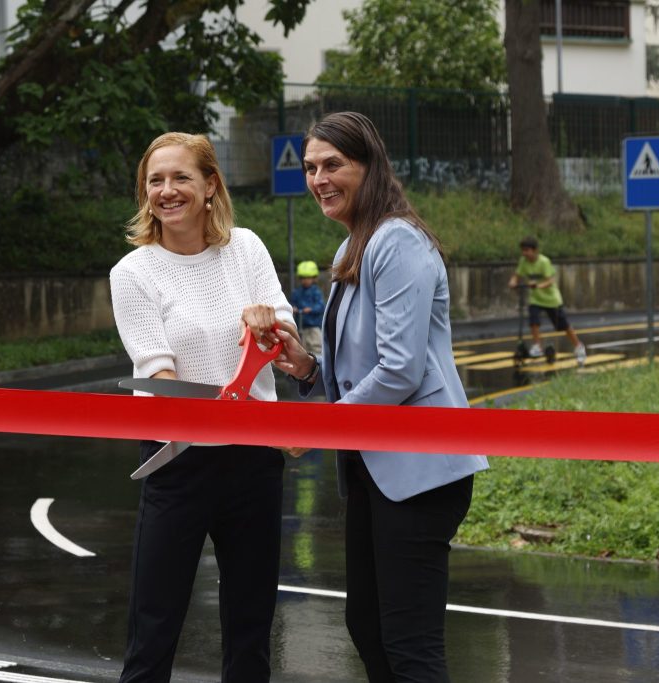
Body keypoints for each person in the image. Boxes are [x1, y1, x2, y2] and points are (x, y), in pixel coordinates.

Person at [272, 111, 489, 683]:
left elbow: (400, 370)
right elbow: (363, 368)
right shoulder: (355, 246)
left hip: (420, 472)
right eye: (311, 167)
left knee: (408, 643)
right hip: (374, 468)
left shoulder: (396, 241)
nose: (319, 178)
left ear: (369, 167)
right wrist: (309, 368)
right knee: (369, 628)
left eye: (333, 165)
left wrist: (317, 431)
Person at [109, 132, 298, 683]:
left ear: (210, 184)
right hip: (178, 461)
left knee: (251, 630)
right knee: (154, 628)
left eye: (181, 178)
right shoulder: (133, 272)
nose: (167, 191)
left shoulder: (247, 248)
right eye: (155, 181)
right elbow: (156, 370)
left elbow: (285, 339)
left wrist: (272, 328)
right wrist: (201, 408)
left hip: (254, 459)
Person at [507, 236, 586, 365]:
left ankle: (578, 346)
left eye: (527, 250)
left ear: (535, 250)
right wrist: (513, 282)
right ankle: (537, 345)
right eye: (523, 250)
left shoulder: (544, 262)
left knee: (564, 325)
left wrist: (538, 286)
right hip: (536, 299)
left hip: (551, 300)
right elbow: (517, 276)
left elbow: (550, 280)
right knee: (534, 321)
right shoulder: (523, 262)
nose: (525, 253)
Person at [289, 260, 325, 355]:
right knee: (302, 348)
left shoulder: (316, 292)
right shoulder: (297, 292)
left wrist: (311, 309)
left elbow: (321, 306)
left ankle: (319, 364)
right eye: (303, 278)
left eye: (308, 278)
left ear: (314, 278)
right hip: (301, 326)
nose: (305, 280)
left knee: (316, 346)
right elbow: (292, 303)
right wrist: (293, 308)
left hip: (313, 325)